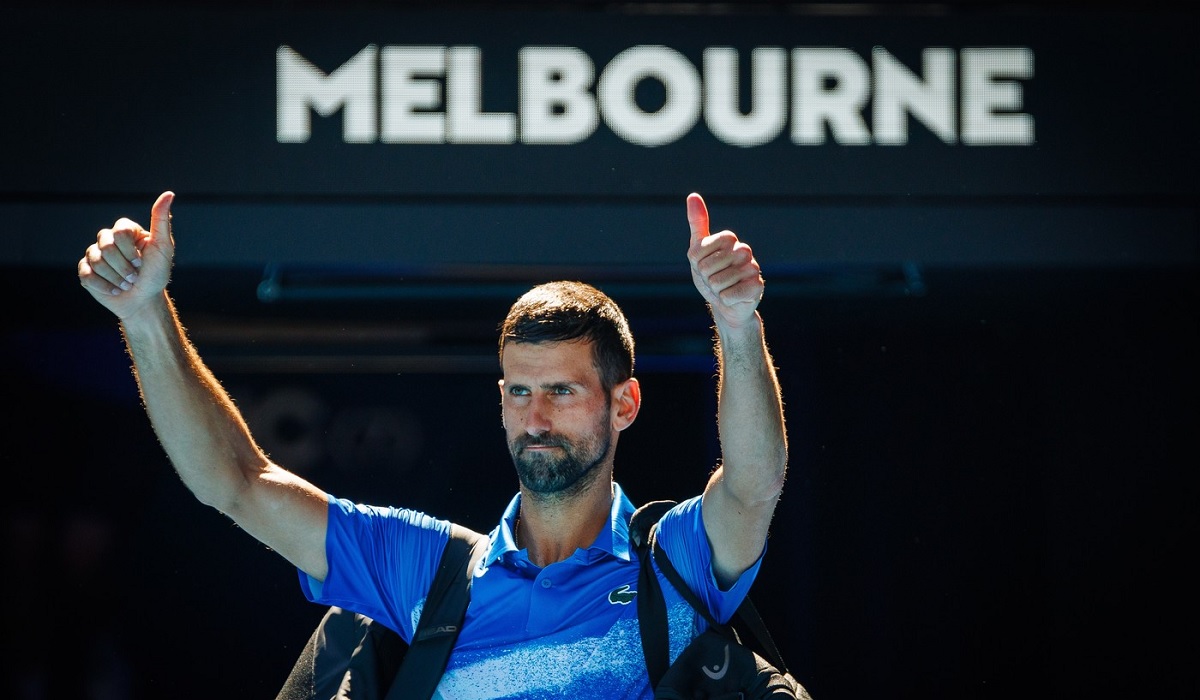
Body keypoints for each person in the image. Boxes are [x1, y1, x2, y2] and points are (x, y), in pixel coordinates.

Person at [77, 191, 788, 698]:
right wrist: (144, 316)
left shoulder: (674, 565)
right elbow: (234, 482)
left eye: (562, 392)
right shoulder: (426, 571)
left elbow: (753, 485)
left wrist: (735, 323)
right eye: (518, 391)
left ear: (624, 403)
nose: (535, 417)